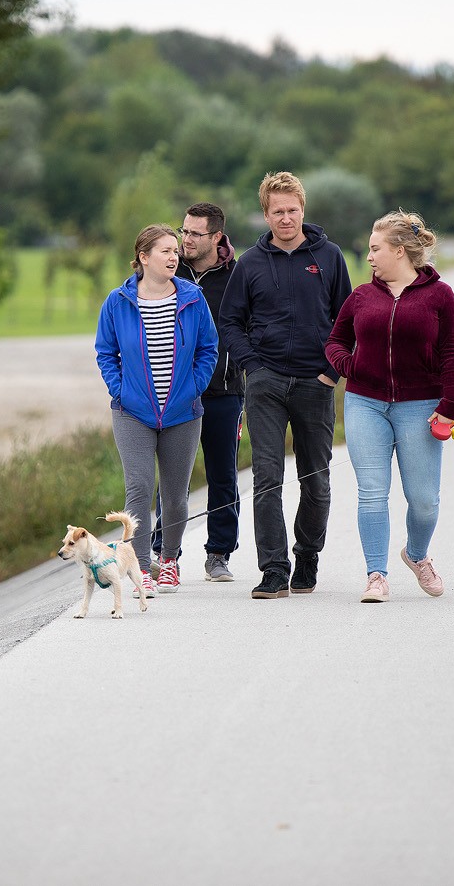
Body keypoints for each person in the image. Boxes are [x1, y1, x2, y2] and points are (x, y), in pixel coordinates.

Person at [218, 172, 353, 599]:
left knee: (316, 481)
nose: (286, 218)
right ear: (265, 214)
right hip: (266, 383)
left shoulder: (329, 257)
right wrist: (253, 367)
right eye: (278, 211)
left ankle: (307, 557)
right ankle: (273, 569)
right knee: (267, 478)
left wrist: (332, 372)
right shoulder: (251, 264)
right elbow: (230, 322)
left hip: (316, 383)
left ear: (303, 208)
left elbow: (347, 322)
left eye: (292, 210)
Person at [324, 210, 454, 603]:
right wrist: (351, 367)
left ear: (399, 251)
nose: (368, 257)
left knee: (424, 500)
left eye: (374, 249)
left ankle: (416, 555)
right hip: (365, 403)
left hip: (422, 405)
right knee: (372, 491)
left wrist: (451, 404)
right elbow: (334, 341)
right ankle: (376, 575)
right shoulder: (361, 296)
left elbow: (453, 353)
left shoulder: (440, 296)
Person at [95, 224, 218, 596]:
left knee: (175, 492)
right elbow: (106, 352)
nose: (173, 257)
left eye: (175, 251)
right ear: (143, 257)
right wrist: (121, 390)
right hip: (132, 412)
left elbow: (208, 349)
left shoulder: (193, 298)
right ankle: (139, 566)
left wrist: (193, 388)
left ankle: (169, 561)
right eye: (164, 251)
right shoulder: (118, 301)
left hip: (183, 411)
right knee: (138, 487)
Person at [176, 203, 245, 582]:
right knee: (173, 477)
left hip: (224, 392)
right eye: (183, 231)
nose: (186, 239)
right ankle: (162, 551)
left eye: (195, 233)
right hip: (174, 395)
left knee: (222, 475)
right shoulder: (169, 270)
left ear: (217, 237)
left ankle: (218, 554)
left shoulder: (237, 276)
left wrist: (242, 365)